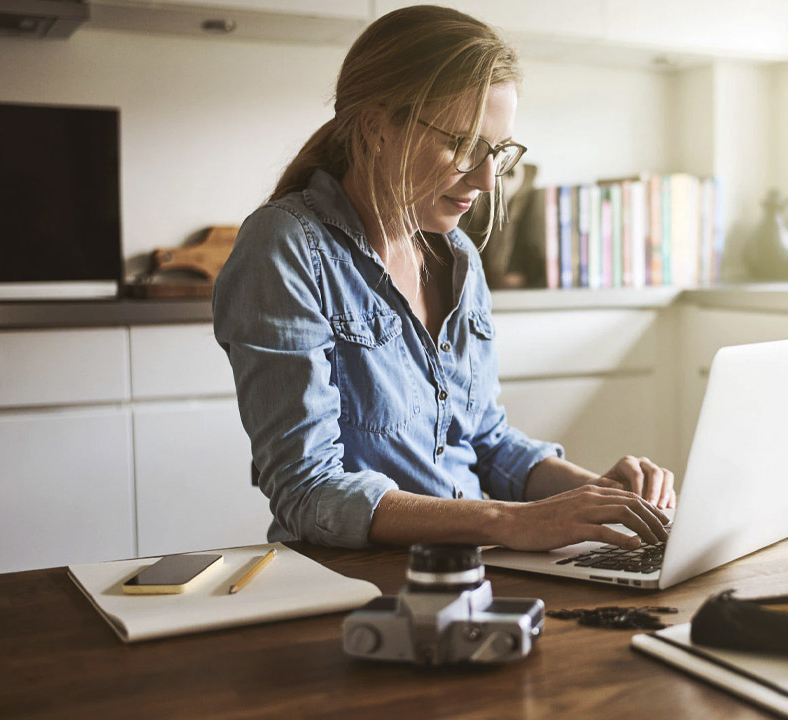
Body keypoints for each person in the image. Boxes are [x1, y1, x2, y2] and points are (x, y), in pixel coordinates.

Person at [213, 5, 674, 553]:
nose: (485, 179)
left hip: (475, 568)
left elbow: (486, 442)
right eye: (462, 146)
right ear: (377, 127)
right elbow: (308, 490)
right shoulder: (287, 246)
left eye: (497, 153)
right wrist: (508, 522)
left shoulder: (458, 257)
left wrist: (602, 496)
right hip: (352, 582)